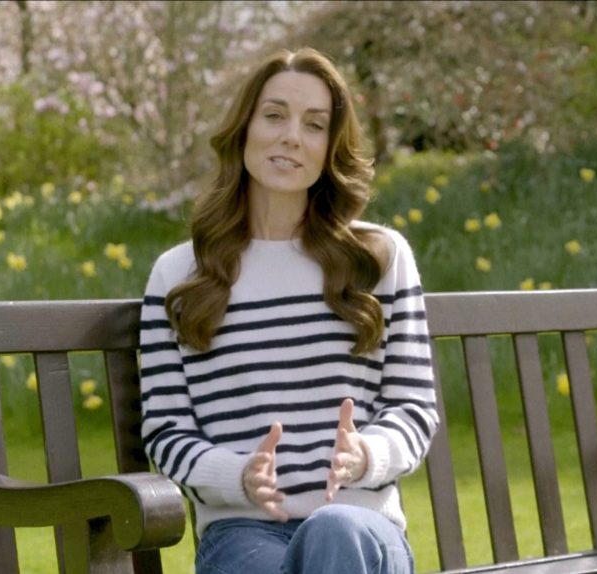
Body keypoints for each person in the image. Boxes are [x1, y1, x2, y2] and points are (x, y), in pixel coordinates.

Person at [139, 47, 439, 574]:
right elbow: (166, 430)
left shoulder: (380, 259)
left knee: (334, 531)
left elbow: (413, 407)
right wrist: (238, 476)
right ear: (245, 128)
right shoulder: (179, 274)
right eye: (274, 115)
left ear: (330, 147)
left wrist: (365, 456)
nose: (291, 136)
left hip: (360, 522)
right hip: (241, 532)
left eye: (315, 124)